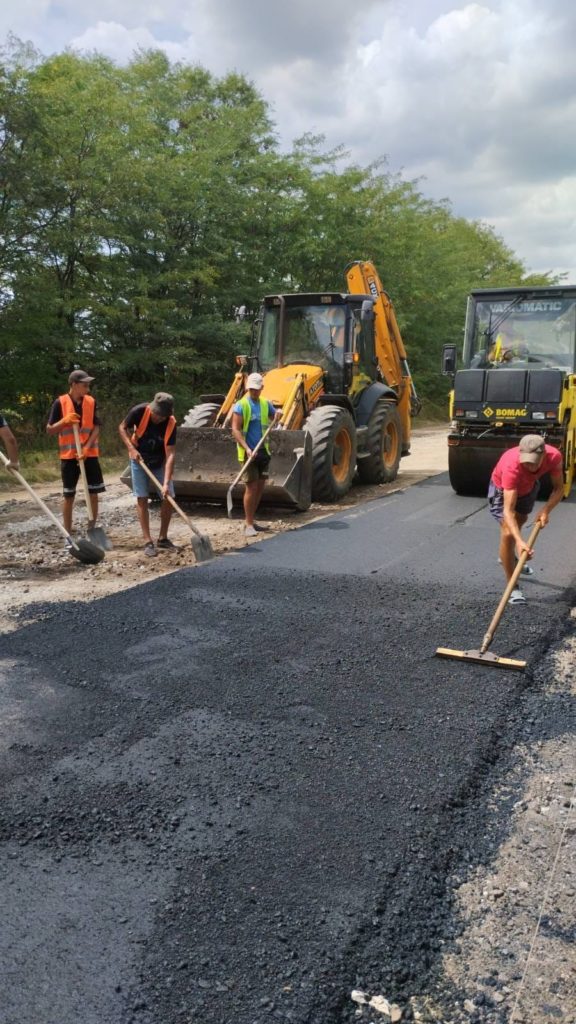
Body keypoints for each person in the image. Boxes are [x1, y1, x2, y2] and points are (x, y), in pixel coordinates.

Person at [488, 435, 564, 604]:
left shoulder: (554, 456)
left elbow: (559, 488)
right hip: (503, 490)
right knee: (508, 533)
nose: (530, 465)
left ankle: (510, 557)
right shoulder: (511, 466)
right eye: (527, 461)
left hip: (529, 487)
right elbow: (508, 510)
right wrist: (521, 542)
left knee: (521, 519)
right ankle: (512, 587)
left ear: (544, 454)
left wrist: (546, 510)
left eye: (535, 461)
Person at [46, 369, 105, 534]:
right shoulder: (60, 403)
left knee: (93, 493)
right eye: (85, 385)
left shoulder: (91, 402)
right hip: (69, 456)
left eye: (88, 385)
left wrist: (86, 448)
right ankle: (67, 529)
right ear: (73, 385)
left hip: (89, 454)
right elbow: (50, 429)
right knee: (69, 494)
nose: (88, 388)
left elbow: (96, 428)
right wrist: (64, 421)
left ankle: (91, 528)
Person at [119, 392, 177, 557]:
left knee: (169, 496)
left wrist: (166, 482)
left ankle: (163, 539)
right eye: (155, 413)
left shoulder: (171, 423)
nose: (157, 417)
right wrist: (131, 448)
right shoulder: (139, 411)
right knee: (141, 497)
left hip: (159, 461)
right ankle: (147, 541)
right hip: (139, 460)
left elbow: (171, 454)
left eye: (161, 415)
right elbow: (122, 427)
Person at [231, 372, 282, 537]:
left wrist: (278, 415)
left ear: (261, 389)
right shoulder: (241, 405)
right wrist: (246, 448)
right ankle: (248, 524)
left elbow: (276, 417)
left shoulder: (266, 404)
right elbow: (235, 430)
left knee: (259, 488)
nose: (253, 392)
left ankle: (252, 520)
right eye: (251, 389)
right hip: (248, 453)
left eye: (256, 389)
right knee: (251, 488)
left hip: (262, 451)